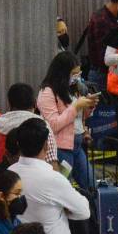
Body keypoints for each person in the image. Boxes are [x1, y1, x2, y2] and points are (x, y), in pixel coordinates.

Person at [9, 118, 90, 234]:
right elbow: (83, 211)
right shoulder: (53, 178)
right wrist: (65, 210)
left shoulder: (9, 174)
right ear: (46, 145)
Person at [37, 51, 97, 191]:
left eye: (78, 73)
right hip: (60, 149)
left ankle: (93, 212)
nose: (77, 78)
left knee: (92, 185)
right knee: (63, 188)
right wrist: (76, 106)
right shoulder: (47, 92)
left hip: (77, 145)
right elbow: (53, 125)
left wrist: (89, 107)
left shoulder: (74, 89)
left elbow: (79, 119)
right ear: (62, 74)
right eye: (73, 74)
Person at [0, 83, 57, 167]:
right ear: (35, 103)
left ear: (9, 104)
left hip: (4, 177)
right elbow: (51, 162)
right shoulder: (41, 127)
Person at [84, 0, 118, 88]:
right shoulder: (103, 20)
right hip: (102, 75)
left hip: (102, 73)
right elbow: (104, 56)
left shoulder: (105, 16)